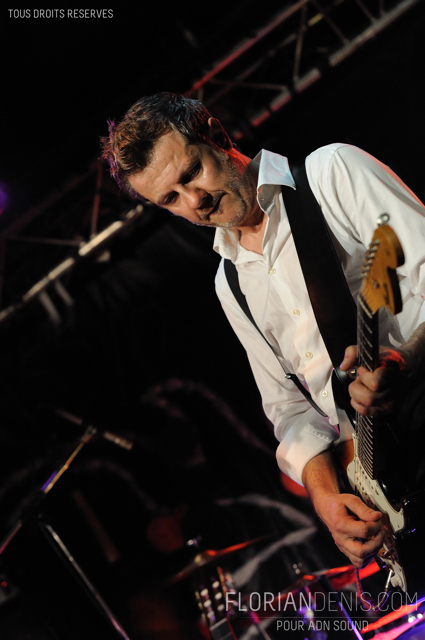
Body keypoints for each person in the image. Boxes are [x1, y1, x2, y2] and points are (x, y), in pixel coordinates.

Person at [101, 92, 425, 570]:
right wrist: (326, 500)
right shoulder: (230, 283)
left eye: (192, 173)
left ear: (217, 135)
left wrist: (407, 358)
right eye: (170, 199)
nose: (195, 202)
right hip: (393, 487)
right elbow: (291, 412)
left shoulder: (331, 173)